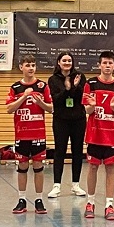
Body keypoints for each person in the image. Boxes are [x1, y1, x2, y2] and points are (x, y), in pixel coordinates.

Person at [82, 51, 114, 220]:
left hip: (112, 136)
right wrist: (93, 105)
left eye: (110, 63)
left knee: (110, 169)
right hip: (94, 134)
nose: (107, 66)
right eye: (104, 63)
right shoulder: (91, 83)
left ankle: (109, 205)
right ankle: (90, 203)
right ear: (99, 65)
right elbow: (87, 110)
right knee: (93, 167)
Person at [6, 54, 53, 214]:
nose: (31, 68)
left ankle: (39, 200)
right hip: (22, 134)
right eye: (27, 65)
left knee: (38, 166)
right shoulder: (15, 87)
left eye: (33, 65)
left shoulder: (42, 86)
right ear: (21, 67)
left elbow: (51, 108)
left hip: (38, 134)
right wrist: (24, 97)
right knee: (22, 166)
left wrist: (40, 102)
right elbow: (9, 109)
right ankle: (22, 199)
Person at [47, 52, 87, 198]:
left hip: (78, 119)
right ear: (59, 62)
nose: (67, 63)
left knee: (77, 151)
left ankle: (76, 184)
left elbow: (81, 97)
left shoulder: (80, 77)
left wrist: (74, 87)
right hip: (61, 119)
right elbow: (56, 99)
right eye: (64, 60)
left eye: (69, 60)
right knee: (60, 151)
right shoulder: (53, 79)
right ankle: (56, 185)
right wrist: (67, 90)